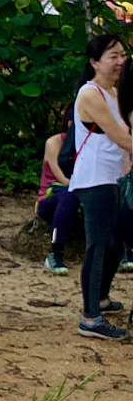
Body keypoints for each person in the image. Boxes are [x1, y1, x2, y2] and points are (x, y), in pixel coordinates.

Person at [68, 32, 131, 341]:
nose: (121, 61)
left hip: (113, 176)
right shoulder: (90, 94)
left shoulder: (115, 93)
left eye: (123, 54)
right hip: (95, 179)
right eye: (113, 56)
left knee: (115, 242)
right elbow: (121, 138)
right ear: (94, 62)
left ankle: (102, 299)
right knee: (97, 244)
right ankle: (90, 317)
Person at [36, 115, 77, 275]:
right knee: (69, 197)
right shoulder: (54, 143)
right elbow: (63, 179)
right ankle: (56, 253)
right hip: (52, 197)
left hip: (80, 197)